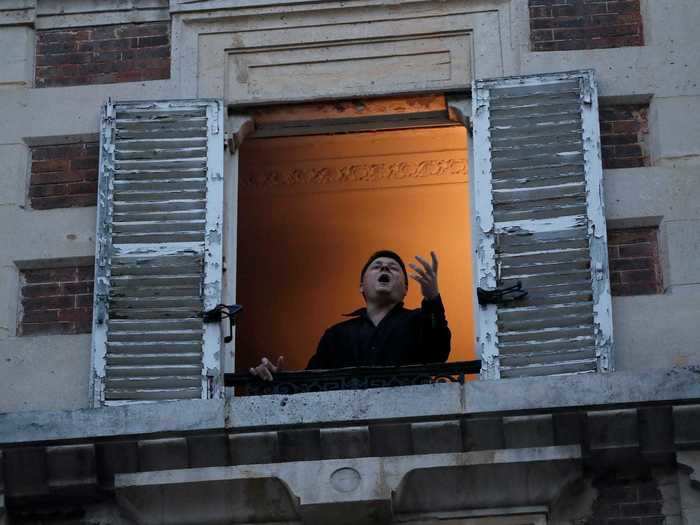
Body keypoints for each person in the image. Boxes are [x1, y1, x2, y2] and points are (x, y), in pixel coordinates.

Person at [250, 250, 450, 380]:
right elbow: (312, 384)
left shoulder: (418, 321)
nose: (385, 267)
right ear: (361, 286)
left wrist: (432, 298)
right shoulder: (337, 335)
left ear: (406, 288)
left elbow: (439, 352)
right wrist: (279, 380)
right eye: (377, 266)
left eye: (394, 267)